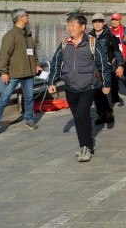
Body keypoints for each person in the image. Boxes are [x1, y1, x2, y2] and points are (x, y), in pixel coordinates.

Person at [47, 14, 111, 161]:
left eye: (73, 25)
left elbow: (103, 64)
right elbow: (56, 63)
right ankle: (87, 144)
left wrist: (106, 84)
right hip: (70, 87)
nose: (70, 29)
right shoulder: (65, 44)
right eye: (68, 25)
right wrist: (52, 82)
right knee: (78, 118)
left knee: (82, 115)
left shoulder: (92, 43)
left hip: (89, 86)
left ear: (82, 27)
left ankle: (85, 148)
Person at [0, 9, 42, 139]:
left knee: (29, 98)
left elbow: (33, 52)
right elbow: (3, 55)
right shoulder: (11, 35)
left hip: (28, 73)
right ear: (21, 18)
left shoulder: (28, 34)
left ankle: (29, 119)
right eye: (26, 16)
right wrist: (3, 72)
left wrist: (37, 65)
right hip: (13, 74)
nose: (28, 17)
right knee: (4, 99)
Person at [90, 13, 124, 124]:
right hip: (94, 69)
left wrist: (120, 65)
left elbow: (116, 51)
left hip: (107, 67)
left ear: (104, 23)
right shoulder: (89, 37)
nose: (97, 24)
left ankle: (109, 112)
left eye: (100, 22)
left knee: (106, 91)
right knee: (96, 92)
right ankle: (100, 113)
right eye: (95, 22)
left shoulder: (109, 35)